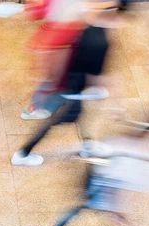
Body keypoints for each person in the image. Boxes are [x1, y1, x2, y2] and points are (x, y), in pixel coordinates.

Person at [12, 0, 116, 167]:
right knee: (58, 120)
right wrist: (105, 92)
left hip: (72, 83)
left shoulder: (89, 27)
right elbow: (94, 75)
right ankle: (23, 153)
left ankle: (88, 144)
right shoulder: (100, 40)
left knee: (80, 114)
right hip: (74, 87)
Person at [21, 0, 85, 120]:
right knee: (54, 77)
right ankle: (38, 106)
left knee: (58, 76)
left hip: (62, 38)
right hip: (60, 39)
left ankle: (42, 104)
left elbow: (35, 12)